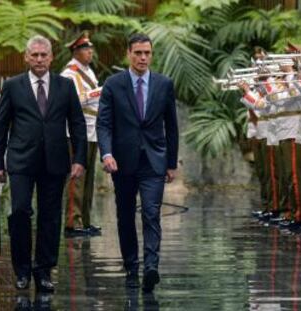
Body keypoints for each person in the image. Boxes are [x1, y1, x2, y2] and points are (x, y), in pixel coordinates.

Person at [0, 35, 87, 292]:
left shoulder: (65, 86)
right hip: (21, 160)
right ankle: (21, 271)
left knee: (50, 217)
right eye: (34, 55)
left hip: (55, 162)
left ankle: (43, 270)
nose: (39, 59)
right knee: (19, 212)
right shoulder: (12, 85)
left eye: (44, 54)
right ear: (26, 57)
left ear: (52, 57)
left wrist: (79, 159)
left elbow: (77, 123)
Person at [97, 33, 179, 293]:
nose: (143, 57)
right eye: (138, 53)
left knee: (151, 212)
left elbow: (172, 126)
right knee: (124, 215)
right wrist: (106, 153)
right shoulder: (113, 84)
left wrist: (171, 162)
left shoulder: (164, 84)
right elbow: (104, 123)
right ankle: (131, 265)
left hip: (154, 161)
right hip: (122, 162)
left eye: (147, 53)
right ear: (128, 54)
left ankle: (151, 266)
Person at [61, 31, 102, 237]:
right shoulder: (70, 74)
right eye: (86, 48)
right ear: (75, 51)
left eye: (91, 48)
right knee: (76, 179)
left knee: (88, 180)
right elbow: (76, 99)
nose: (90, 52)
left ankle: (85, 219)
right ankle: (72, 222)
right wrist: (100, 91)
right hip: (76, 132)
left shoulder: (88, 72)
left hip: (92, 130)